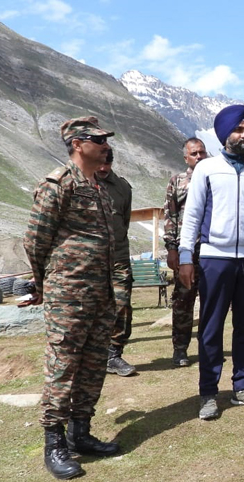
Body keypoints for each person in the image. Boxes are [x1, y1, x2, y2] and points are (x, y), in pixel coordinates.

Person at [23, 116, 120, 480]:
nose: (105, 145)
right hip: (68, 294)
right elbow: (35, 240)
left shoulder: (99, 188)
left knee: (94, 365)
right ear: (78, 144)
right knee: (63, 366)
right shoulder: (58, 184)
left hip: (100, 293)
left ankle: (81, 433)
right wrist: (45, 283)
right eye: (98, 140)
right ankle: (54, 443)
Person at [178, 105, 244, 420]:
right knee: (211, 326)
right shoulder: (207, 169)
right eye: (238, 130)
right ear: (224, 134)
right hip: (214, 258)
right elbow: (192, 215)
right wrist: (185, 256)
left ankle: (243, 386)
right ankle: (208, 392)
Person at [163, 138, 208, 367]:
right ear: (186, 158)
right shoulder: (177, 182)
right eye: (194, 153)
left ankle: (208, 347)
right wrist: (172, 249)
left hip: (211, 250)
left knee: (211, 300)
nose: (198, 157)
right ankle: (180, 349)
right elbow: (170, 216)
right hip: (186, 251)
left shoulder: (213, 178)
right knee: (183, 301)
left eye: (202, 152)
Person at [96, 149, 136, 377]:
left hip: (118, 257)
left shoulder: (122, 187)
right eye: (99, 163)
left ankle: (113, 354)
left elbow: (124, 221)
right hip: (89, 260)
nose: (103, 168)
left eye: (107, 163)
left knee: (121, 305)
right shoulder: (79, 184)